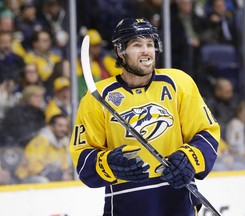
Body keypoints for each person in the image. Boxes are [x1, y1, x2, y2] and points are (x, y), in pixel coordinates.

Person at [70, 18, 220, 216]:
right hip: (126, 206)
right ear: (119, 51)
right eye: (137, 45)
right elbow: (83, 158)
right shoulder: (97, 97)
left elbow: (207, 133)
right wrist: (109, 164)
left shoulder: (178, 83)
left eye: (150, 44)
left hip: (177, 204)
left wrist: (189, 159)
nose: (146, 51)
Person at [15, 114, 72, 183]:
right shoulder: (40, 140)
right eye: (60, 126)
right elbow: (33, 165)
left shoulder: (63, 143)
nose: (64, 129)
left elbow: (64, 165)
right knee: (43, 181)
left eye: (66, 126)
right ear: (51, 126)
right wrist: (57, 175)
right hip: (26, 177)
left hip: (49, 177)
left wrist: (65, 173)